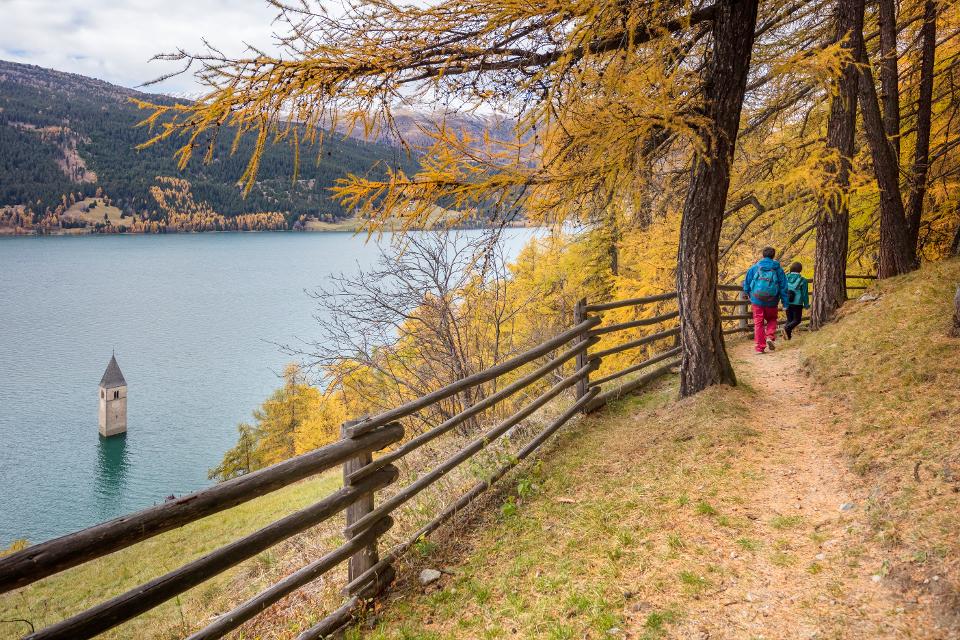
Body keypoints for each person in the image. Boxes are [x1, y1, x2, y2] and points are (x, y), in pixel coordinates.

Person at [743, 247, 789, 354]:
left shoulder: (755, 268)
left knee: (758, 323)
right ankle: (769, 336)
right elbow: (784, 287)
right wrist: (785, 303)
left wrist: (748, 294)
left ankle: (760, 347)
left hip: (757, 299)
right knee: (772, 319)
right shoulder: (778, 269)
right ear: (773, 256)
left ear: (763, 255)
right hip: (772, 300)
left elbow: (747, 283)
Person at [784, 262, 810, 339]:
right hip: (797, 303)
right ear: (800, 270)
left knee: (789, 320)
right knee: (797, 320)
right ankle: (786, 328)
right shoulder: (803, 280)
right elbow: (804, 294)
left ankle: (788, 337)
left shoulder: (785, 278)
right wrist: (806, 304)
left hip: (787, 302)